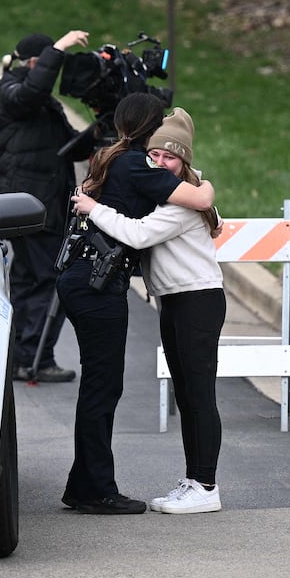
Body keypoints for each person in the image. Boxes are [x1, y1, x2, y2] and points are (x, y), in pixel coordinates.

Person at [57, 93, 215, 515]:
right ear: (150, 127)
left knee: (100, 385)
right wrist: (207, 186)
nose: (160, 159)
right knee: (102, 386)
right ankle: (94, 489)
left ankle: (85, 485)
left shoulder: (113, 158)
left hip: (84, 279)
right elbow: (197, 202)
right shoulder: (135, 165)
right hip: (97, 284)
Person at [0, 29, 92, 383]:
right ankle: (35, 357)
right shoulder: (11, 90)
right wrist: (60, 48)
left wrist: (99, 131)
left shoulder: (43, 103)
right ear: (36, 62)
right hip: (29, 206)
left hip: (38, 204)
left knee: (28, 280)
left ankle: (22, 356)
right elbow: (30, 93)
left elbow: (68, 148)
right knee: (49, 278)